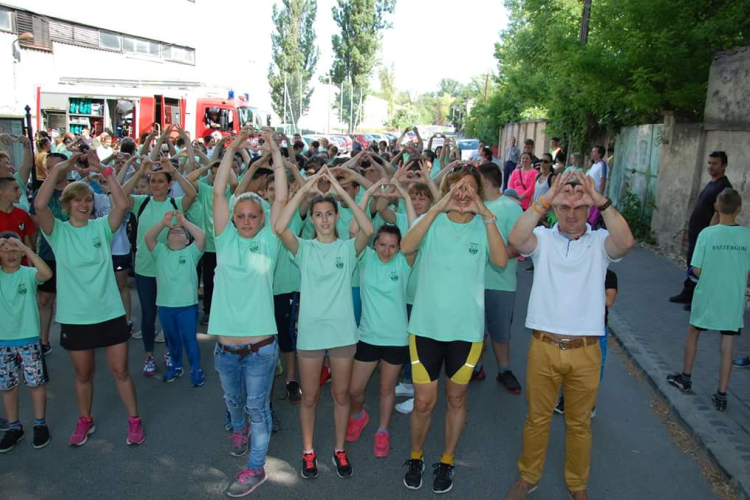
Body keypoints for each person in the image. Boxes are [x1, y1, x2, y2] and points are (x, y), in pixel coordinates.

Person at [506, 171, 634, 500]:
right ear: (554, 209)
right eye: (564, 206)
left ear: (588, 209)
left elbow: (625, 242)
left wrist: (601, 201)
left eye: (579, 207)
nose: (571, 213)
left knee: (579, 424)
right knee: (536, 419)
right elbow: (516, 239)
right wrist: (547, 198)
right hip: (544, 345)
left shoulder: (600, 243)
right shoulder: (542, 239)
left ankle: (577, 484)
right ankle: (528, 476)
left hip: (585, 349)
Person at [400, 164, 508, 494]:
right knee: (423, 402)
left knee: (456, 399)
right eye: (456, 188)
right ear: (446, 191)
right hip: (426, 328)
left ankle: (447, 460)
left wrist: (485, 214)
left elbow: (501, 261)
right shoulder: (431, 221)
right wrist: (436, 208)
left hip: (466, 331)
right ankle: (415, 456)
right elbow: (406, 247)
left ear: (478, 192)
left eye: (469, 188)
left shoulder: (483, 225)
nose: (462, 194)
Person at [34, 151, 145, 447]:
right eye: (77, 200)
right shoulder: (58, 232)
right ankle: (85, 420)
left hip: (110, 312)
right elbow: (40, 204)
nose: (84, 204)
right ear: (67, 205)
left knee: (120, 371)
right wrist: (60, 169)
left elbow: (122, 204)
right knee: (83, 374)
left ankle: (134, 420)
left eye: (87, 200)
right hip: (76, 316)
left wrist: (104, 169)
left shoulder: (101, 228)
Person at [274, 166, 375, 480]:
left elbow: (368, 229)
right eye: (318, 215)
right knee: (310, 397)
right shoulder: (304, 249)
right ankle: (308, 451)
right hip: (311, 333)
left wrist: (340, 191)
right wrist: (306, 189)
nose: (324, 219)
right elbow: (279, 226)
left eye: (329, 213)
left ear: (336, 215)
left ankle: (339, 449)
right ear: (313, 219)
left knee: (341, 396)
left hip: (343, 333)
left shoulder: (348, 248)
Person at [209, 128, 287, 497]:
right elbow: (218, 191)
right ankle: (238, 429)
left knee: (258, 408)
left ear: (262, 218)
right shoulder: (223, 238)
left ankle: (255, 467)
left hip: (260, 349)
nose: (245, 220)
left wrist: (274, 150)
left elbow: (282, 196)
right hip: (225, 348)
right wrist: (234, 146)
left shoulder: (269, 241)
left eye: (252, 216)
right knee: (233, 403)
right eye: (239, 215)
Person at [346, 178, 417, 457]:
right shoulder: (365, 258)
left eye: (392, 246)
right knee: (355, 390)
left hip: (396, 339)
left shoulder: (404, 262)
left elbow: (415, 232)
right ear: (374, 243)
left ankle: (383, 431)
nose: (387, 250)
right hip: (368, 336)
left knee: (387, 390)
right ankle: (358, 415)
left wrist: (406, 197)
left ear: (399, 248)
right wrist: (366, 197)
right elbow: (355, 229)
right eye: (382, 244)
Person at [667, 189, 750, 412]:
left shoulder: (707, 234)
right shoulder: (747, 236)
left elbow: (696, 268)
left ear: (716, 207)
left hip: (707, 294)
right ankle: (722, 394)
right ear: (739, 209)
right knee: (728, 342)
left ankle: (686, 377)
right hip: (732, 297)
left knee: (694, 332)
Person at [122, 156, 197, 376]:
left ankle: (170, 353)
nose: (156, 185)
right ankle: (148, 357)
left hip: (169, 271)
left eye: (161, 181)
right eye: (153, 180)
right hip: (144, 269)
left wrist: (174, 172)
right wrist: (139, 172)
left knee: (168, 317)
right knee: (148, 315)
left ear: (169, 184)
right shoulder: (141, 203)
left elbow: (192, 193)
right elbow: (120, 195)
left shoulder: (175, 204)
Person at [0, 234, 53, 452]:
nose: (10, 254)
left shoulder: (28, 274)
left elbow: (47, 273)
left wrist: (25, 247)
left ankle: (40, 424)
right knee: (8, 386)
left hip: (29, 339)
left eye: (15, 249)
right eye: (5, 249)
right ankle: (14, 427)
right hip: (3, 342)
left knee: (35, 384)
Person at [477, 162, 524, 393]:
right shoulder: (473, 206)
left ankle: (504, 370)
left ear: (485, 182)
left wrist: (495, 256)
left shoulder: (511, 207)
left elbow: (520, 245)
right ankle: (476, 368)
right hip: (472, 283)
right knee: (475, 330)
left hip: (501, 283)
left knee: (500, 332)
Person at [145, 210, 206, 386]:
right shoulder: (160, 252)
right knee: (172, 339)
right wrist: (162, 224)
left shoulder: (191, 253)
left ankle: (196, 369)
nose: (176, 232)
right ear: (166, 240)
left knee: (189, 339)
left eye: (181, 232)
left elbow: (201, 237)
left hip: (187, 306)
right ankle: (176, 366)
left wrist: (184, 222)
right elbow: (148, 238)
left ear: (187, 241)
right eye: (172, 231)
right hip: (165, 306)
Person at [669, 151, 732, 312]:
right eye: (709, 163)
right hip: (697, 233)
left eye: (715, 163)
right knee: (692, 264)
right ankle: (688, 293)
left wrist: (711, 235)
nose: (710, 166)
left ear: (724, 165)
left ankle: (700, 300)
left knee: (703, 269)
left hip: (707, 235)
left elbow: (720, 213)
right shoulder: (712, 183)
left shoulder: (723, 187)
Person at [556, 269, 618, 416]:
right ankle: (566, 398)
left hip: (597, 330)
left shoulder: (609, 275)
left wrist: (584, 292)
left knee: (595, 366)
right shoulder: (578, 270)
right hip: (573, 327)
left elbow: (609, 300)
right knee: (568, 363)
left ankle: (590, 402)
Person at [28, 153, 70, 355]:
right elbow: (34, 227)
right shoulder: (41, 194)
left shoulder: (77, 190)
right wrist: (33, 254)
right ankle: (43, 340)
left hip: (73, 256)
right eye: (48, 167)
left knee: (74, 298)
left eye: (56, 166)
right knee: (45, 300)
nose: (51, 171)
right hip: (48, 255)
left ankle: (77, 335)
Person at [0, 177, 36, 250]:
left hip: (20, 257)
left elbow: (28, 245)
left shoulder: (23, 215)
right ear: (2, 192)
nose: (20, 192)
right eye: (15, 189)